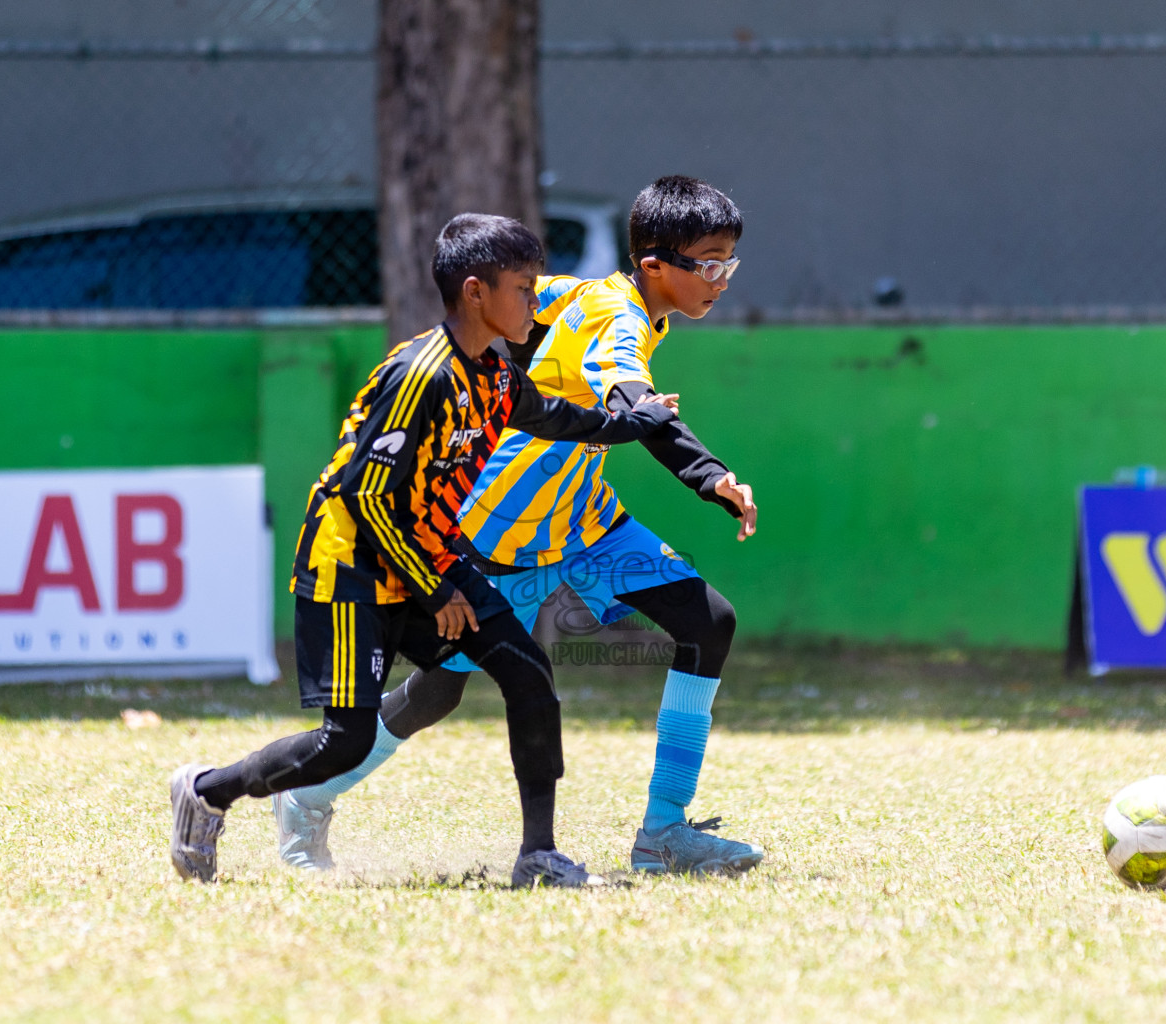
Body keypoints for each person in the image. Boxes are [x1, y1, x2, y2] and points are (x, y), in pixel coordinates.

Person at [168, 212, 679, 888]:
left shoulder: (495, 376)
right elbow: (368, 499)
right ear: (475, 292)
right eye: (524, 289)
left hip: (430, 559)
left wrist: (632, 423)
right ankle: (207, 790)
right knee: (342, 741)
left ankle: (539, 856)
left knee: (528, 674)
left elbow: (557, 418)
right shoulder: (420, 376)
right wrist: (435, 592)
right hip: (352, 566)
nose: (536, 301)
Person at [274, 175, 763, 876]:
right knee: (439, 689)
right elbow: (632, 396)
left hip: (585, 522)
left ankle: (663, 831)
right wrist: (707, 473)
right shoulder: (621, 319)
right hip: (507, 531)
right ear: (655, 265)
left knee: (707, 621)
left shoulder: (584, 291)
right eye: (709, 262)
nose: (721, 278)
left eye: (729, 261)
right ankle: (308, 796)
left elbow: (530, 311)